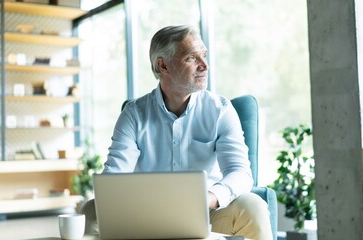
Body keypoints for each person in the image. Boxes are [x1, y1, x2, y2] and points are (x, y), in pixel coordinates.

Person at [103, 25, 272, 240]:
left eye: (204, 55)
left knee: (253, 206)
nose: (204, 65)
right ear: (163, 65)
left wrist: (209, 197)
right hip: (147, 216)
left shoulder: (220, 110)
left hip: (208, 212)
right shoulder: (134, 114)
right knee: (91, 210)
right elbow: (113, 179)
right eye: (192, 58)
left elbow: (241, 173)